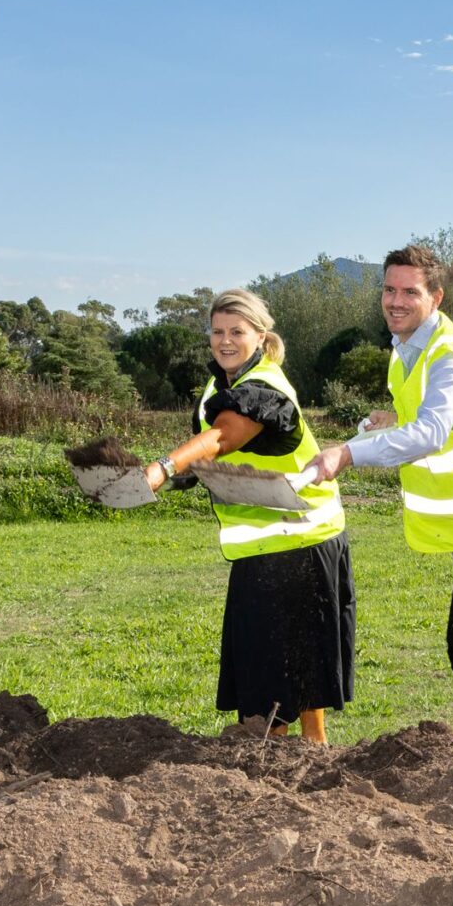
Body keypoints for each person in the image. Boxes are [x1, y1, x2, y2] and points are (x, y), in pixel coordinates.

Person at [299, 245, 453, 765]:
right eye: (389, 289)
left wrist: (348, 452)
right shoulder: (408, 343)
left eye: (410, 291)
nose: (396, 300)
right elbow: (439, 415)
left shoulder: (448, 351)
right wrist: (391, 418)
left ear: (435, 296)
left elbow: (432, 432)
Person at [143, 289, 354, 741]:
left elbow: (224, 438)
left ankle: (286, 766)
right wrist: (186, 475)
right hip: (268, 547)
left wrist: (163, 468)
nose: (224, 341)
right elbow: (221, 456)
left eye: (236, 332)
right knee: (287, 668)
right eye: (217, 331)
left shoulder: (266, 389)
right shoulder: (224, 385)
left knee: (277, 681)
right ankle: (308, 757)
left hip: (302, 541)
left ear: (261, 335)